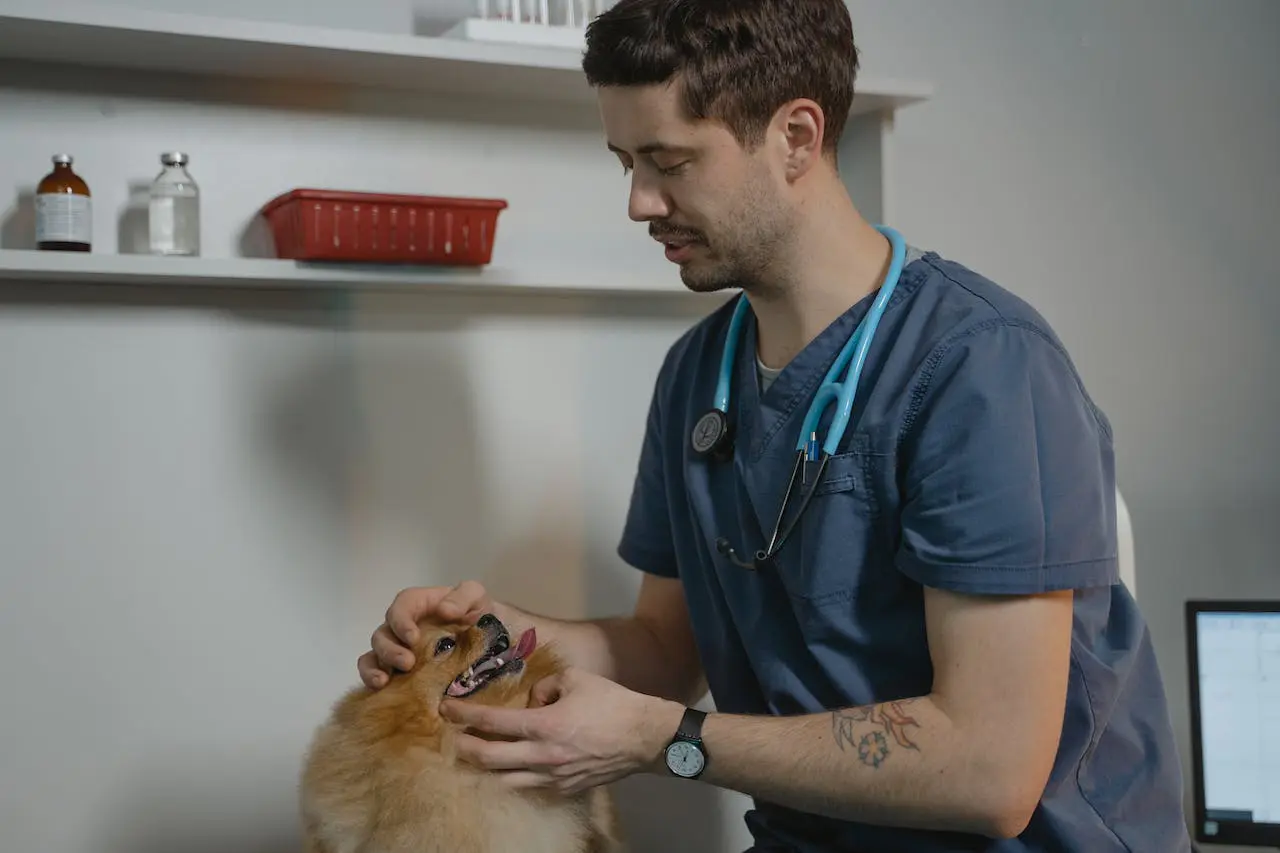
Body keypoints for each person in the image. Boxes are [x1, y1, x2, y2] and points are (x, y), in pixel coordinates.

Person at [356, 1, 1192, 850]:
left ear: (796, 136)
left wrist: (665, 740)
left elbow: (991, 772)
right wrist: (488, 636)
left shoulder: (984, 369)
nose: (640, 202)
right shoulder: (697, 376)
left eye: (670, 161)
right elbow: (663, 649)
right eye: (626, 163)